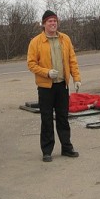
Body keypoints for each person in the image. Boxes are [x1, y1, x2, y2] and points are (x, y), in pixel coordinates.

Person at [27, 10, 82, 162]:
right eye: (49, 21)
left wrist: (76, 78)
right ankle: (47, 150)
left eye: (55, 21)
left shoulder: (65, 39)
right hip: (46, 87)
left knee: (63, 118)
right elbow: (31, 64)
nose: (53, 24)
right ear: (43, 24)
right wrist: (46, 72)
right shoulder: (36, 42)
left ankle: (67, 147)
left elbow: (72, 60)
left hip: (62, 86)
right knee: (46, 119)